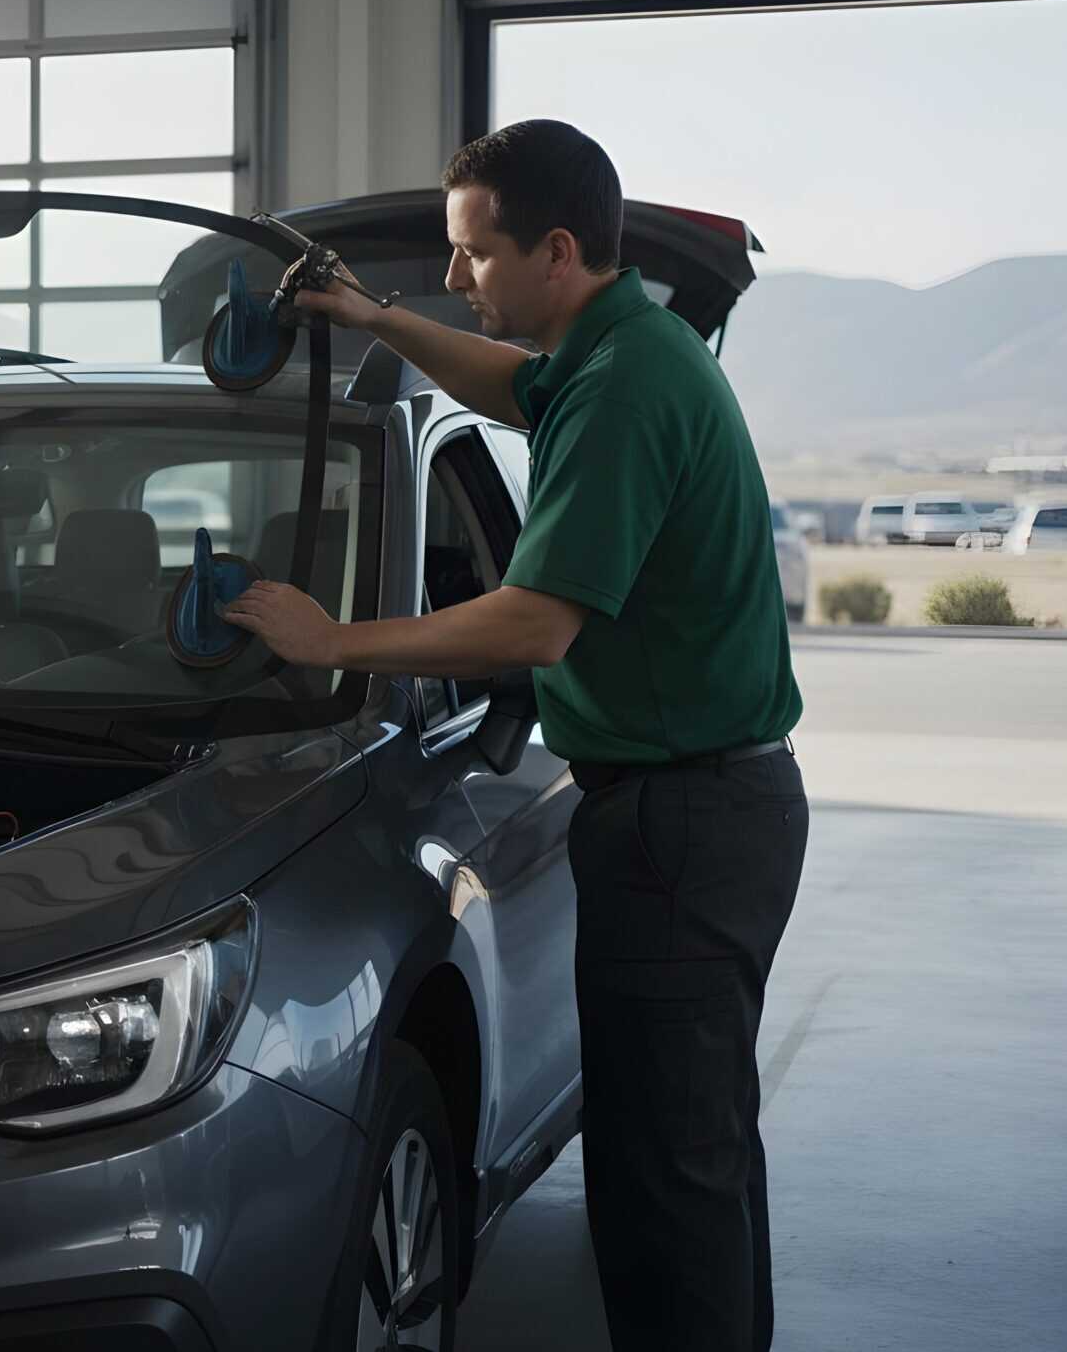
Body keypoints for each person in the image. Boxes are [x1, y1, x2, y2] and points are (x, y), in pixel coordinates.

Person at [225, 119, 808, 1352]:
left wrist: (332, 642)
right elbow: (505, 385)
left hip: (681, 822)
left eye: (471, 256)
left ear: (554, 249)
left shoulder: (623, 390)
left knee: (662, 1178)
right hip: (707, 808)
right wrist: (374, 319)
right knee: (696, 1150)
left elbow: (538, 624)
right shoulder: (610, 351)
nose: (454, 278)